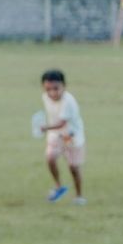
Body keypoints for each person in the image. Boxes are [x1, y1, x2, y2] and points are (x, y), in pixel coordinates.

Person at [38, 69, 85, 204]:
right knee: (50, 158)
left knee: (73, 167)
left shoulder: (68, 101)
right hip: (56, 134)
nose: (52, 93)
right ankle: (58, 187)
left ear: (64, 86)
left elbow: (62, 123)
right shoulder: (45, 97)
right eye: (48, 89)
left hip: (71, 136)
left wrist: (45, 128)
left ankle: (79, 196)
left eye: (56, 89)